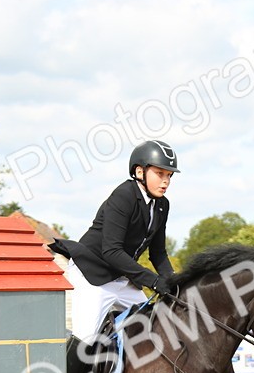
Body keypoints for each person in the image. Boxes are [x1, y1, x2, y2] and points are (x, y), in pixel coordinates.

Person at [51, 140, 179, 344]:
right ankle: (67, 366)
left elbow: (158, 253)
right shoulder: (123, 195)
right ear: (139, 171)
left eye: (169, 176)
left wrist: (175, 283)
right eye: (160, 173)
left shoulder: (162, 205)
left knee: (151, 326)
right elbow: (111, 251)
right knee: (85, 341)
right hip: (92, 274)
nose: (166, 181)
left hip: (121, 277)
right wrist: (154, 281)